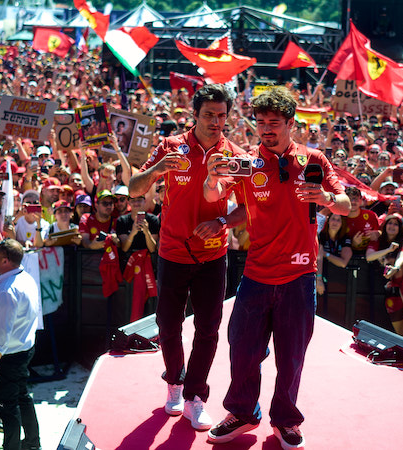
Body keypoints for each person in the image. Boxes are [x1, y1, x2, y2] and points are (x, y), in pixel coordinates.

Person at [203, 86, 350, 448]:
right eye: (261, 122)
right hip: (256, 275)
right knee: (242, 349)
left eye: (274, 123)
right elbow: (218, 197)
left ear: (290, 123)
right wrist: (213, 187)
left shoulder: (313, 160)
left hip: (299, 278)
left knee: (291, 356)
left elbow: (345, 203)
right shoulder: (246, 162)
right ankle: (242, 412)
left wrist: (326, 198)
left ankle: (285, 420)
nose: (266, 129)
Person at [129, 84, 248, 431]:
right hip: (172, 252)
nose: (216, 122)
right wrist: (156, 171)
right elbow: (135, 188)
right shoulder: (171, 146)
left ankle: (196, 396)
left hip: (213, 255)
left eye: (222, 115)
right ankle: (174, 384)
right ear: (194, 114)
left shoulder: (235, 156)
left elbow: (247, 210)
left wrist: (221, 221)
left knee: (208, 329)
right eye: (209, 114)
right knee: (167, 324)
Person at [0, 239, 40, 450]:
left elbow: (2, 335)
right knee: (22, 397)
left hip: (8, 357)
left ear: (5, 260)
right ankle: (32, 444)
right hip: (22, 351)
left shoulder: (7, 290)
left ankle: (13, 447)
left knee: (8, 407)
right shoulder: (25, 278)